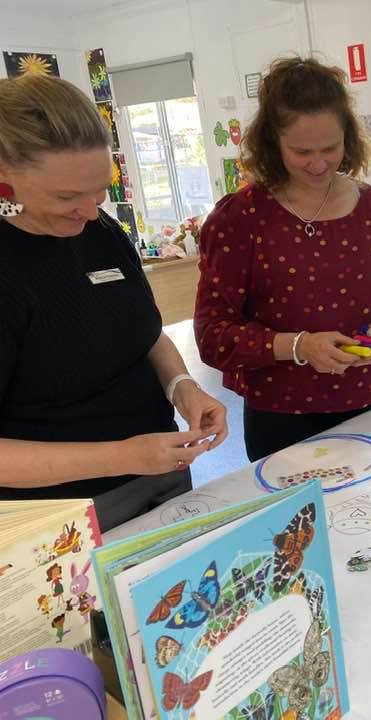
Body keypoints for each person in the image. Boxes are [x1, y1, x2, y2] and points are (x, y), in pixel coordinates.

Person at [0, 75, 227, 531]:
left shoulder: (102, 231)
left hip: (158, 476)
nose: (89, 211)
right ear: (5, 177)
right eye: (67, 196)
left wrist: (182, 386)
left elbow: (142, 333)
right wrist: (122, 456)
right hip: (57, 516)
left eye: (100, 190)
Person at [195, 57, 371, 462]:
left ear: (349, 136)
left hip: (366, 403)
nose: (318, 163)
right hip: (280, 419)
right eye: (301, 151)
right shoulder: (240, 218)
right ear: (272, 142)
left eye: (331, 148)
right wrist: (298, 346)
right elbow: (213, 336)